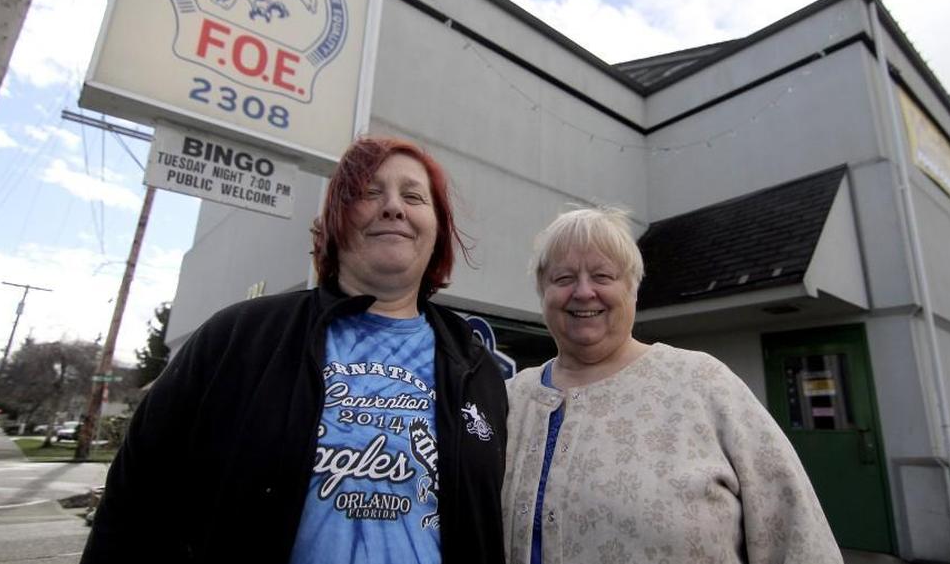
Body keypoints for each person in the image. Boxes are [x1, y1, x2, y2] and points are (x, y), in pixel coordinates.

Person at [82, 137, 507, 564]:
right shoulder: (238, 339)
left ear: (438, 231)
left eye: (413, 196)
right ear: (336, 220)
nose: (393, 207)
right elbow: (133, 506)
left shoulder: (476, 367)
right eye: (369, 193)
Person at [503, 207, 841, 564]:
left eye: (603, 276)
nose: (584, 291)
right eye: (564, 278)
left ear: (632, 289)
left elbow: (799, 536)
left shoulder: (704, 383)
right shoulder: (510, 398)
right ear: (543, 291)